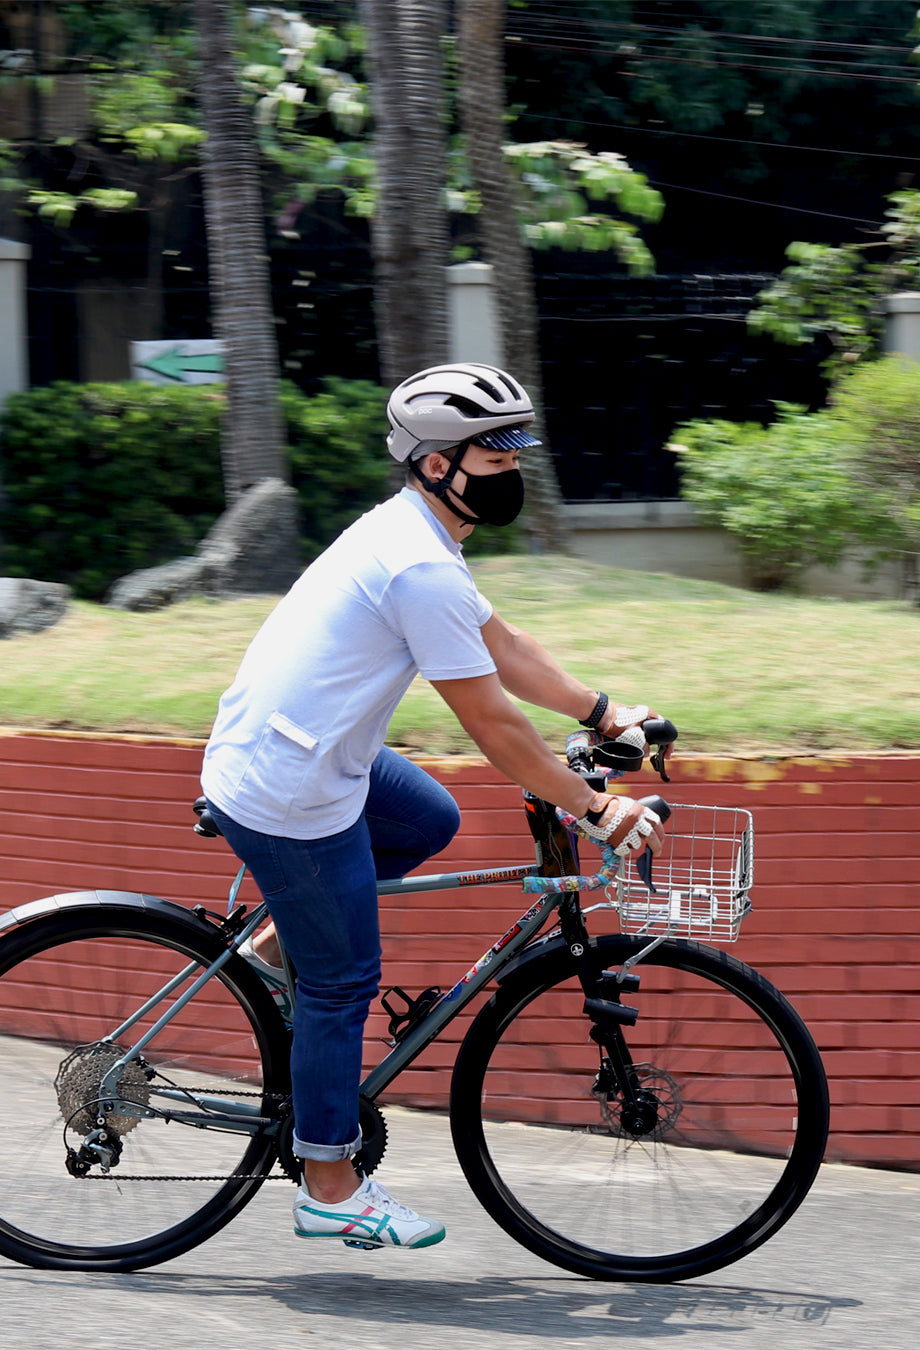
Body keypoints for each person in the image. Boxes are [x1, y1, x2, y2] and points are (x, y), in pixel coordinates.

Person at [200, 361, 668, 1250]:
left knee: (428, 821)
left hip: (312, 751)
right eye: (494, 455)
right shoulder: (415, 562)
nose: (512, 471)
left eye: (515, 451)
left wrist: (602, 713)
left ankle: (270, 945)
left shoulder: (420, 537)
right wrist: (593, 808)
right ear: (435, 463)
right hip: (288, 786)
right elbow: (493, 721)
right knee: (342, 983)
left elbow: (502, 643)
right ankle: (329, 1187)